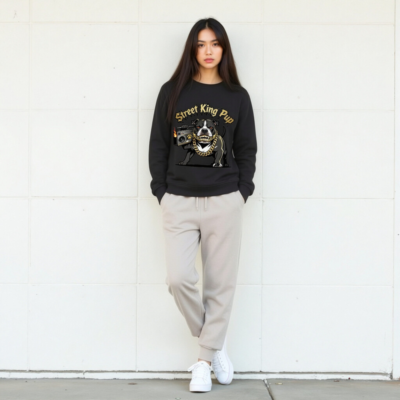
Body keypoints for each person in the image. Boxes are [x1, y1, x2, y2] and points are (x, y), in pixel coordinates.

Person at [148, 17, 257, 393]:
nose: (208, 51)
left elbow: (246, 149)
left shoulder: (237, 96)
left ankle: (203, 363)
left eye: (215, 43)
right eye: (201, 44)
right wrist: (162, 192)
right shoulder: (172, 92)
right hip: (178, 200)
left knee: (220, 285)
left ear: (224, 49)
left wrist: (241, 192)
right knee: (178, 279)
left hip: (225, 199)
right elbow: (158, 145)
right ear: (192, 50)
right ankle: (215, 341)